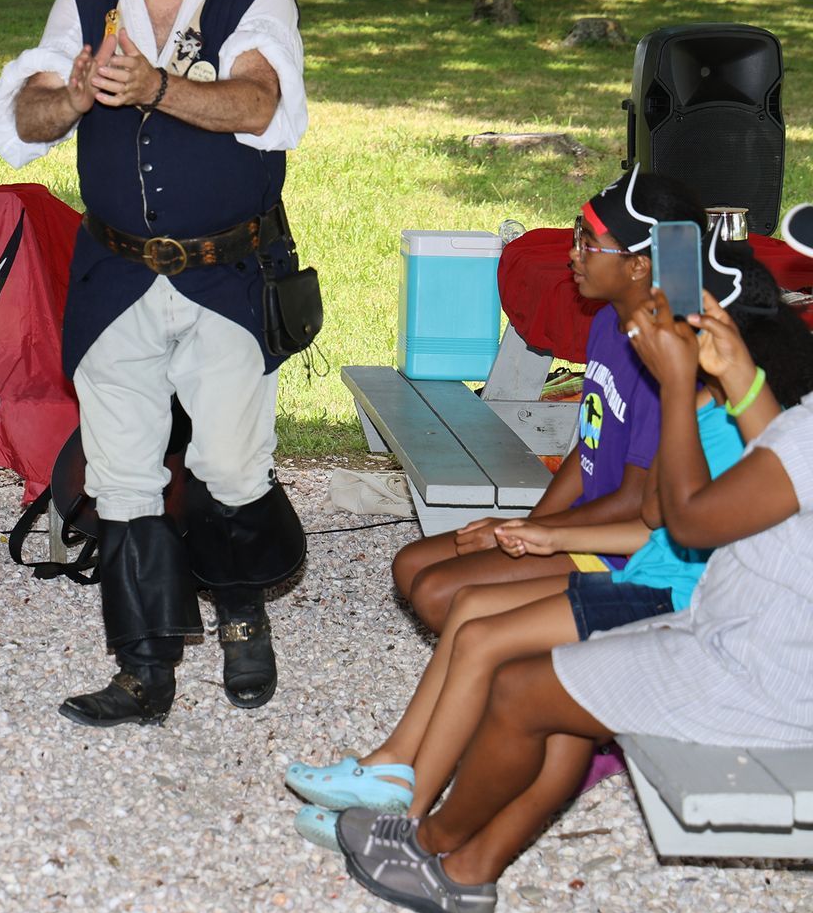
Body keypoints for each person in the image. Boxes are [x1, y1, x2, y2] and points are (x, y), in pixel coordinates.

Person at [286, 239, 813, 848]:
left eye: (668, 315)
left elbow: (664, 516)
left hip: (671, 596)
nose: (650, 323)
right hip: (654, 576)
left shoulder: (720, 423)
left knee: (488, 641)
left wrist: (670, 396)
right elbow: (656, 523)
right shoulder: (715, 408)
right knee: (473, 616)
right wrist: (543, 531)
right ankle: (396, 778)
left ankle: (412, 819)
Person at [0, 0, 310, 721]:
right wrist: (81, 92)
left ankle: (242, 610)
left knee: (232, 465)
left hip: (224, 274)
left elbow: (258, 101)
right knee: (123, 476)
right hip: (117, 276)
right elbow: (26, 112)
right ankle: (144, 672)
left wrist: (157, 88)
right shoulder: (86, 1)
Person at [390, 168, 707, 633]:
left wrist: (539, 534)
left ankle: (525, 665)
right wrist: (528, 526)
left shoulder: (667, 359)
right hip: (582, 524)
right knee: (410, 565)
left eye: (588, 243)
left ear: (639, 265)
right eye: (576, 234)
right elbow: (589, 447)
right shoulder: (607, 323)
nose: (572, 254)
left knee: (439, 593)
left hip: (620, 546)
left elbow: (636, 502)